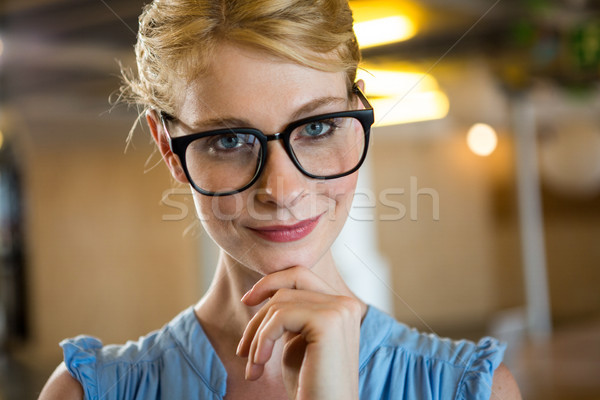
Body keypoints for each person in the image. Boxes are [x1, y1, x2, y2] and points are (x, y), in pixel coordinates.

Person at [39, 0, 522, 399]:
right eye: (229, 140)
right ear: (170, 149)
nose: (282, 191)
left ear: (356, 120)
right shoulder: (83, 393)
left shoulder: (473, 391)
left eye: (316, 127)